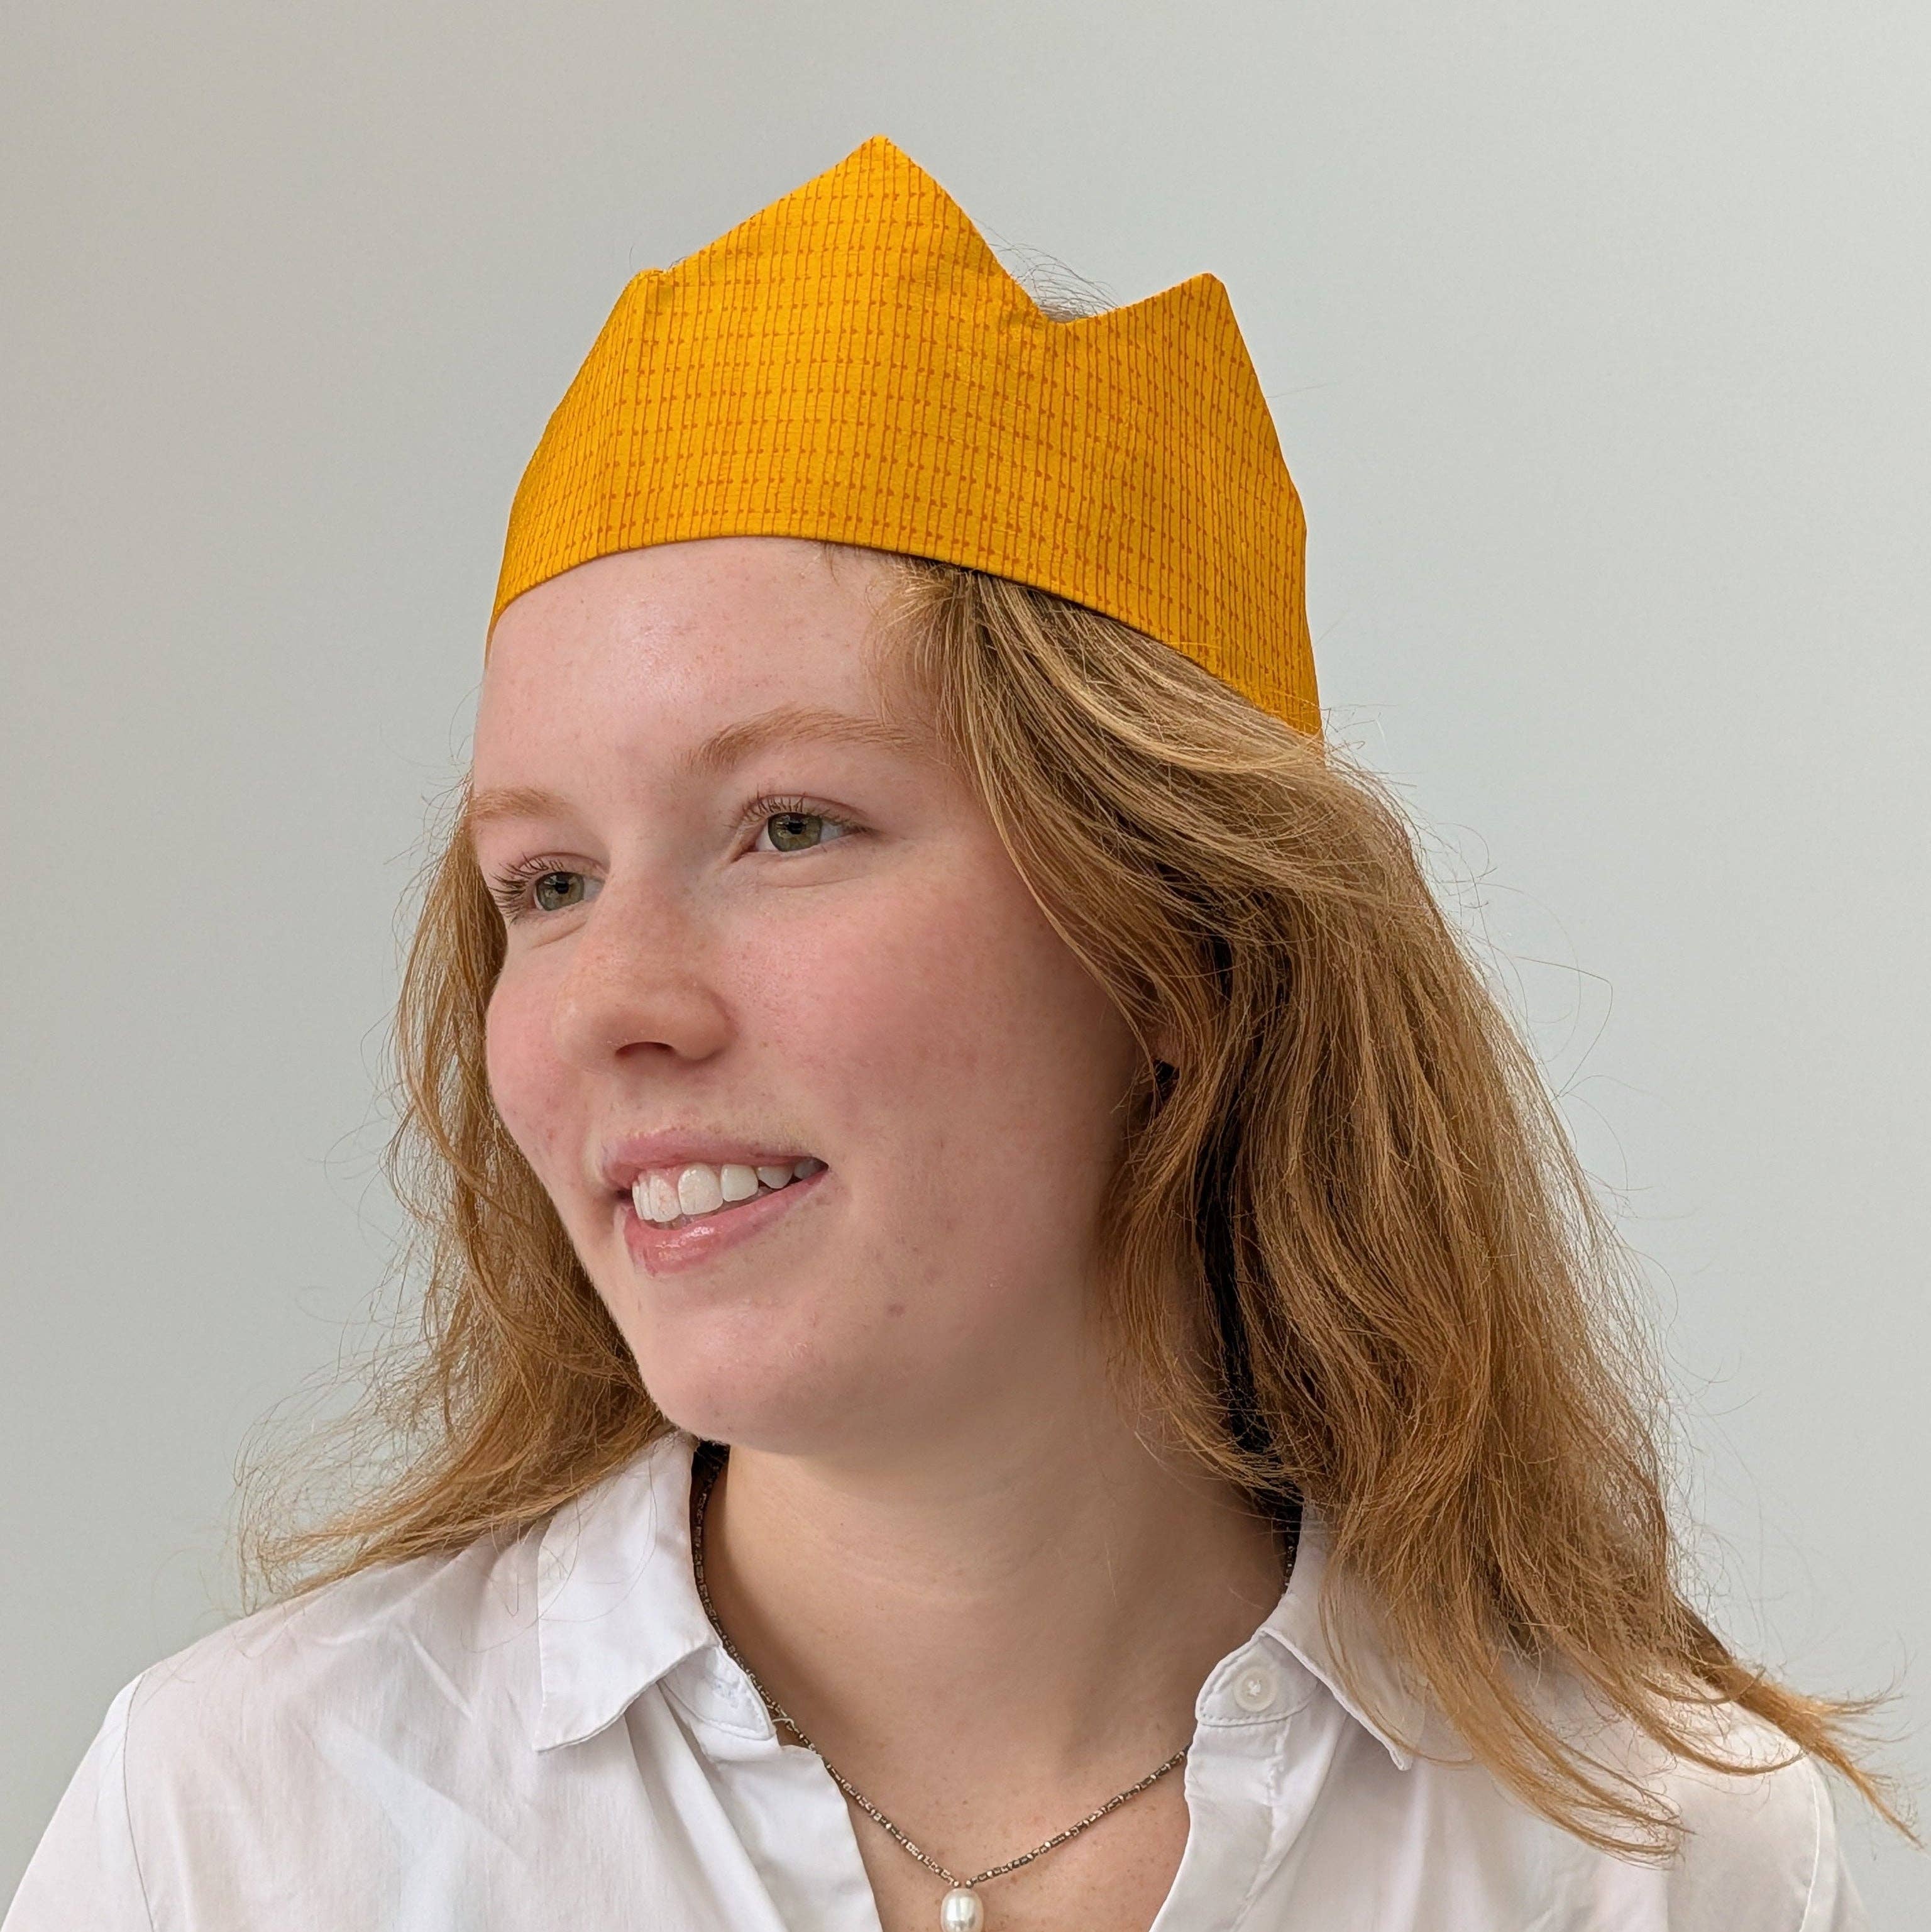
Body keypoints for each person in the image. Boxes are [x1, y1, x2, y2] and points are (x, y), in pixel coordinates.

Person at [6, 134, 1904, 1932]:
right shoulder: (240, 1833)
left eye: (790, 827)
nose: (610, 1006)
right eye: (548, 882)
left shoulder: (1653, 1856)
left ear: (1179, 940)